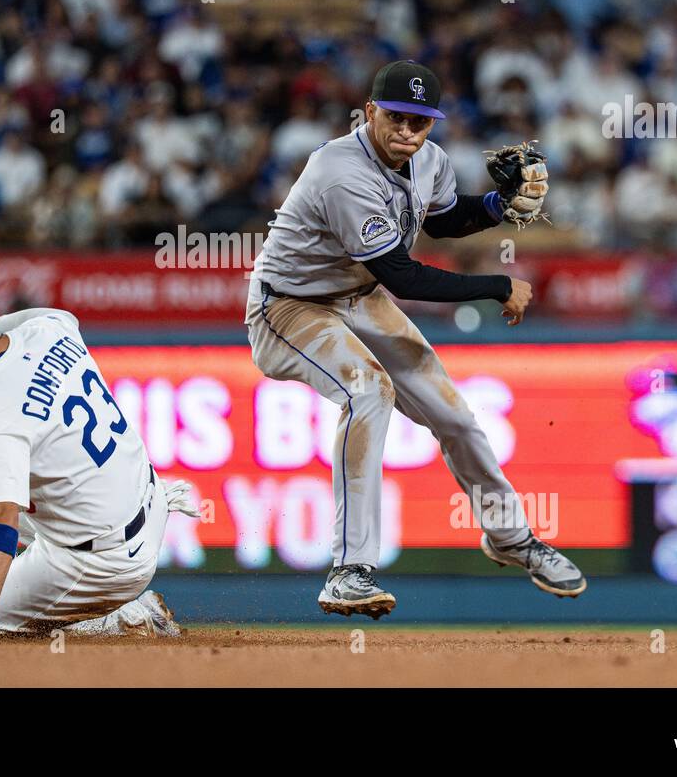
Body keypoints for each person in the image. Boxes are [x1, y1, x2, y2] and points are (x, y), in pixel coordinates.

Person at [246, 60, 587, 617]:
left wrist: (499, 207)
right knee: (368, 391)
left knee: (453, 416)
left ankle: (511, 537)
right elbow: (403, 274)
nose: (408, 132)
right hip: (289, 304)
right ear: (371, 111)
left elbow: (444, 221)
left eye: (421, 122)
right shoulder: (340, 171)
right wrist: (497, 284)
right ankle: (348, 572)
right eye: (398, 119)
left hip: (359, 295)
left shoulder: (427, 158)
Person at [0, 274, 196, 637]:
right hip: (151, 502)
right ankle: (79, 595)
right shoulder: (52, 327)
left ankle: (124, 618)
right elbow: (28, 322)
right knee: (9, 488)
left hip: (109, 563)